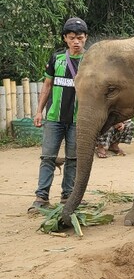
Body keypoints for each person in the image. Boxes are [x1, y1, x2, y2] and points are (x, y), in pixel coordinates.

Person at [30, 17, 88, 211]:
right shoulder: (56, 58)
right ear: (65, 38)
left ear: (86, 38)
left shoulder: (90, 62)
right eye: (72, 38)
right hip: (54, 118)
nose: (76, 42)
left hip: (77, 120)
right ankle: (41, 197)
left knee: (73, 159)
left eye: (80, 37)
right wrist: (39, 111)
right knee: (47, 157)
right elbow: (47, 86)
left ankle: (68, 196)